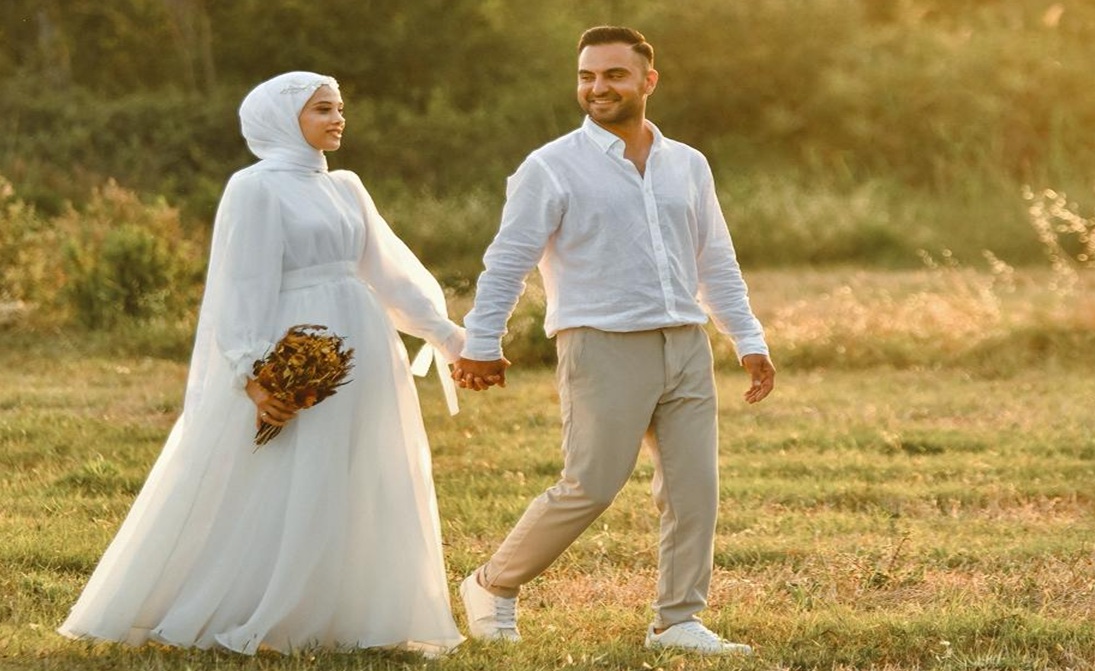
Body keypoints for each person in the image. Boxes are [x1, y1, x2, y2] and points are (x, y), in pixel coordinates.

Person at [57, 71, 466, 656]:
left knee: (358, 469)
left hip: (364, 345)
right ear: (282, 119)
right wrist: (253, 373)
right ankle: (262, 610)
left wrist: (446, 335)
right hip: (297, 344)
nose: (338, 118)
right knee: (290, 473)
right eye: (322, 109)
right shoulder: (255, 188)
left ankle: (351, 615)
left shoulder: (346, 187)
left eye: (339, 107)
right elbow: (241, 284)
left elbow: (386, 270)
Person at [451, 26, 775, 656]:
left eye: (614, 75)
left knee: (694, 492)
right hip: (601, 346)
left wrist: (747, 337)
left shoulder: (688, 163)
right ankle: (492, 584)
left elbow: (715, 261)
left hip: (685, 344)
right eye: (587, 76)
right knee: (590, 485)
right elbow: (508, 261)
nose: (597, 87)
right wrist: (481, 341)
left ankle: (676, 621)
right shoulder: (550, 167)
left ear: (648, 81)